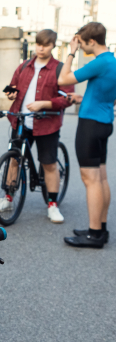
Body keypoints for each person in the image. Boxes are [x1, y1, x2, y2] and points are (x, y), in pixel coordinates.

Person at [0, 29, 74, 223]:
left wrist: (45, 104)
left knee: (49, 164)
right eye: (38, 44)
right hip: (21, 120)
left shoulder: (59, 68)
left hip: (47, 123)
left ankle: (52, 204)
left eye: (45, 45)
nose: (41, 48)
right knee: (14, 159)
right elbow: (13, 85)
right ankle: (8, 197)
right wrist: (11, 94)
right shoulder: (24, 66)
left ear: (53, 46)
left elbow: (67, 98)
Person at [57, 22, 116, 248]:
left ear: (92, 41)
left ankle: (93, 235)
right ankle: (101, 229)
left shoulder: (100, 62)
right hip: (104, 122)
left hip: (90, 125)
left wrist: (70, 52)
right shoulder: (112, 61)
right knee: (100, 178)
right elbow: (109, 95)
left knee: (90, 180)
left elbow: (64, 79)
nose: (80, 46)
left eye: (81, 42)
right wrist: (85, 99)